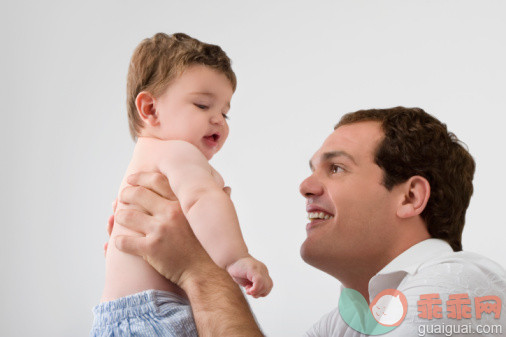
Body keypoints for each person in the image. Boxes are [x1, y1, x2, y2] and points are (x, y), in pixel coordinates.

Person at [112, 107, 506, 336]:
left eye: (336, 168)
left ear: (409, 197)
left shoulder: (461, 286)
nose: (305, 186)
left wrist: (201, 269)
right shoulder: (337, 327)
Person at [92, 33, 272, 337]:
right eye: (203, 105)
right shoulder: (178, 151)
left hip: (116, 318)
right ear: (150, 109)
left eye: (225, 112)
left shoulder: (147, 156)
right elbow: (203, 199)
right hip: (155, 314)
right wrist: (238, 258)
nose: (218, 120)